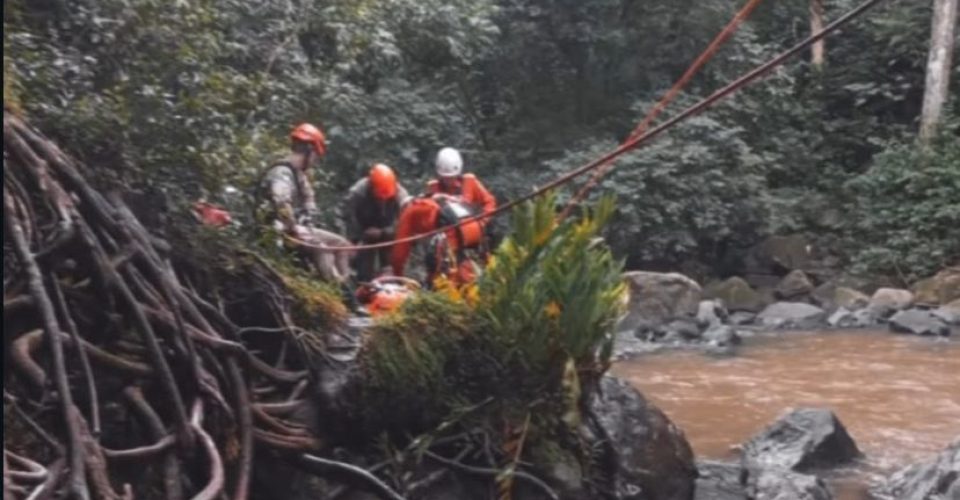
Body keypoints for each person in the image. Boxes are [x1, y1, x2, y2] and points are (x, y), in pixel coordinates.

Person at [257, 123, 352, 284]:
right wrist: (294, 228)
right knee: (322, 249)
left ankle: (346, 287)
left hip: (296, 228)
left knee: (340, 244)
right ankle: (337, 292)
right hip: (277, 231)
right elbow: (281, 203)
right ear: (310, 151)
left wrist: (308, 219)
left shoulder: (299, 175)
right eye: (316, 155)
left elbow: (308, 201)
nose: (315, 160)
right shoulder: (282, 173)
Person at [390, 194, 488, 287]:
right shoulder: (433, 201)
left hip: (452, 229)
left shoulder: (409, 211)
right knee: (472, 261)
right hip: (473, 226)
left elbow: (400, 249)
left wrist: (397, 276)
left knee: (440, 265)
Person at [341, 163, 411, 282]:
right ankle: (363, 284)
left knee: (392, 264)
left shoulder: (400, 195)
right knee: (363, 269)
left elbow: (407, 223)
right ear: (371, 187)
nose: (383, 201)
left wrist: (384, 232)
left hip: (389, 233)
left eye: (387, 199)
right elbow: (346, 216)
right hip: (364, 233)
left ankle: (391, 281)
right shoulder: (357, 193)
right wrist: (352, 240)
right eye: (379, 198)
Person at [427, 147, 497, 215]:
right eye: (445, 177)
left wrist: (483, 221)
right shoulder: (434, 187)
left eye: (451, 177)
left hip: (469, 224)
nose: (448, 180)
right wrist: (432, 200)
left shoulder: (469, 181)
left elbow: (490, 202)